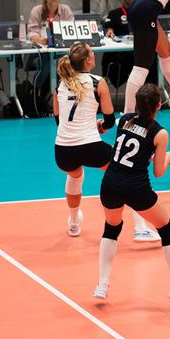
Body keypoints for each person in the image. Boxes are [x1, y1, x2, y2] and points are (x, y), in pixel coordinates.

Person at [94, 83, 170, 304]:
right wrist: (166, 159)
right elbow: (158, 172)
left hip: (110, 183)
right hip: (136, 187)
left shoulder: (124, 120)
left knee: (111, 228)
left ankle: (102, 285)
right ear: (159, 105)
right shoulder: (160, 133)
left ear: (137, 104)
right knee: (166, 228)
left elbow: (133, 150)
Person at [54, 41, 116, 238]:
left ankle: (73, 223)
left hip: (63, 150)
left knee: (75, 176)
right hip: (91, 146)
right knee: (123, 170)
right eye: (92, 53)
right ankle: (140, 226)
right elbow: (110, 121)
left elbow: (59, 120)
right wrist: (100, 127)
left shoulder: (60, 84)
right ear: (88, 60)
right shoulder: (98, 82)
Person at [101, 0, 138, 90]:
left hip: (138, 50)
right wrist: (110, 32)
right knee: (107, 57)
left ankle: (151, 90)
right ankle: (101, 92)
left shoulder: (142, 11)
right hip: (121, 53)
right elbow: (109, 30)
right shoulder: (114, 13)